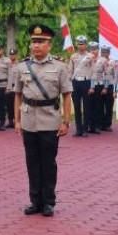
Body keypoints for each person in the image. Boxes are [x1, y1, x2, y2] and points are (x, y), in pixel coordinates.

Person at [15, 25, 72, 217]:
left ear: (49, 45)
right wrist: (16, 120)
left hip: (49, 119)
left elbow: (66, 95)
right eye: (33, 42)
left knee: (48, 162)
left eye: (40, 42)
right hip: (28, 118)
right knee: (32, 161)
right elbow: (17, 95)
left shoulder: (60, 66)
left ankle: (48, 202)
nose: (36, 46)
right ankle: (35, 201)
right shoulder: (22, 66)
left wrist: (66, 122)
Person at [68, 35, 91, 136]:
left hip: (86, 82)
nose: (81, 46)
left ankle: (85, 129)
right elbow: (70, 71)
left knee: (86, 107)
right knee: (77, 107)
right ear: (77, 44)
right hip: (75, 83)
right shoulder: (73, 56)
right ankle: (78, 129)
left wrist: (92, 86)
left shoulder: (90, 56)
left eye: (83, 44)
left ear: (86, 45)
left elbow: (93, 71)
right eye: (79, 44)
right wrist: (69, 85)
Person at [86, 42, 102, 134]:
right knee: (88, 105)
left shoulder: (102, 60)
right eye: (92, 49)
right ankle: (89, 125)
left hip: (98, 85)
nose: (93, 51)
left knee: (97, 106)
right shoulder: (86, 59)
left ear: (98, 50)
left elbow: (107, 73)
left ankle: (96, 126)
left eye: (95, 49)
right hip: (88, 85)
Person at [99, 45, 115, 131]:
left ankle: (108, 124)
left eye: (106, 52)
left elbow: (114, 75)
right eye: (103, 52)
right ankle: (101, 124)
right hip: (100, 85)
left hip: (109, 86)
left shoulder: (112, 62)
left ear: (109, 53)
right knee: (100, 106)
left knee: (109, 106)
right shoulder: (98, 61)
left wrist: (115, 89)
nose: (104, 54)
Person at [6, 48, 19, 128]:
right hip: (8, 87)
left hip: (16, 87)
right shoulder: (6, 64)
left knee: (16, 105)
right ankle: (10, 121)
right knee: (9, 105)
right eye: (11, 54)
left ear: (16, 55)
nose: (12, 56)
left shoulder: (20, 64)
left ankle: (16, 121)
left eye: (13, 54)